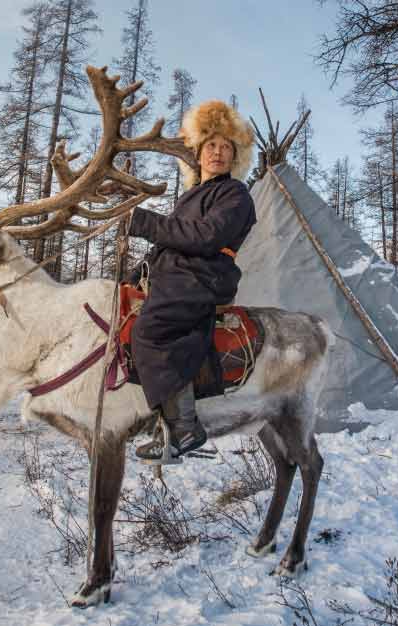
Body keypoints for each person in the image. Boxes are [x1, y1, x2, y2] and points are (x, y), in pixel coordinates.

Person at [126, 99, 257, 464]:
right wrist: (136, 276)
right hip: (177, 275)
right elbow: (169, 243)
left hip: (204, 276)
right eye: (211, 146)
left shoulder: (235, 194)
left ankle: (185, 427)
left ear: (235, 157)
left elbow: (205, 236)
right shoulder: (191, 196)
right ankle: (155, 415)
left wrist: (142, 222)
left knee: (154, 326)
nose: (217, 153)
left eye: (225, 147)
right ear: (198, 154)